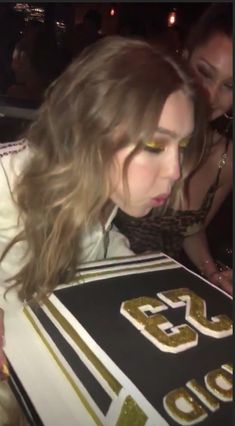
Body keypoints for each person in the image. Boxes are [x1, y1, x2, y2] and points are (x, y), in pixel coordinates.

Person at [0, 36, 207, 422]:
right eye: (153, 144)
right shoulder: (5, 183)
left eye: (181, 147)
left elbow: (97, 243)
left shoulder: (96, 191)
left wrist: (138, 273)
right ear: (90, 126)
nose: (176, 171)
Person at [114, 4, 233, 295]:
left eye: (229, 86)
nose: (210, 95)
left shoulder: (226, 159)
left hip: (160, 289)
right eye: (204, 73)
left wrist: (211, 272)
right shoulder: (134, 122)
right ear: (185, 58)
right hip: (98, 270)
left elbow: (191, 228)